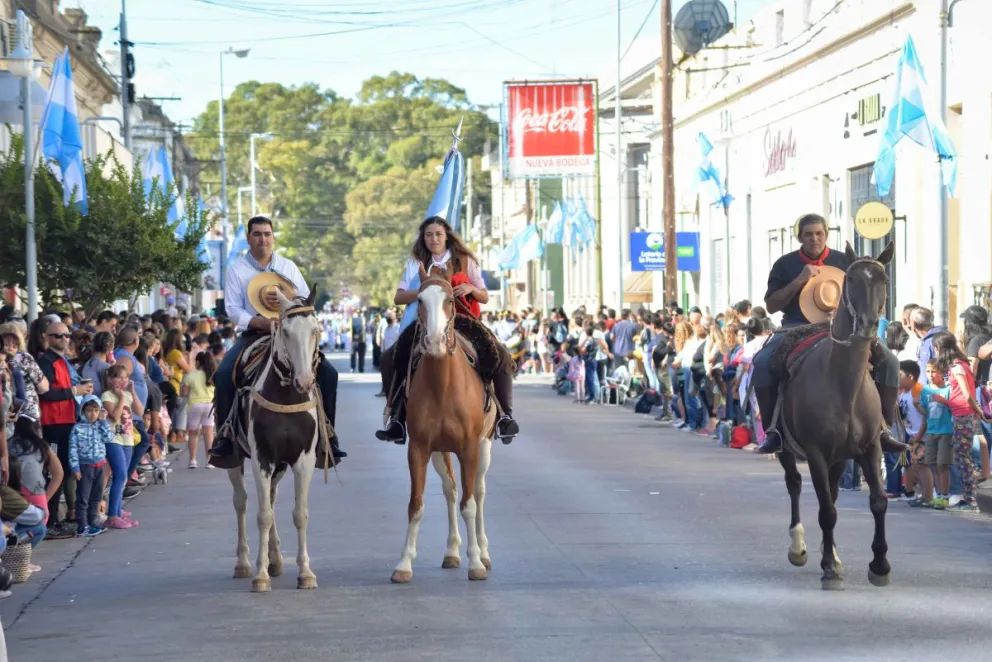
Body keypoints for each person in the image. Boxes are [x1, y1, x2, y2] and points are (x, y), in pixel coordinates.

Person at [751, 213, 902, 454]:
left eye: (819, 233)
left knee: (891, 363)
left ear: (826, 234)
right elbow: (771, 305)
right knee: (762, 362)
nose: (814, 239)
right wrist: (799, 281)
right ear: (799, 237)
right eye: (808, 234)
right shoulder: (785, 264)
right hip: (796, 327)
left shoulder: (846, 261)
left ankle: (884, 429)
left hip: (842, 329)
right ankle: (773, 431)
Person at [209, 215, 345, 463]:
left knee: (329, 374)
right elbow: (232, 309)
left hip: (290, 334)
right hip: (255, 333)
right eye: (257, 234)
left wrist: (289, 293)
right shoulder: (237, 269)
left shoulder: (287, 267)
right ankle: (225, 436)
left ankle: (328, 436)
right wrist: (261, 321)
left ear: (273, 237)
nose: (263, 238)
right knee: (223, 373)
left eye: (267, 234)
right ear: (249, 238)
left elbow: (306, 302)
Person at [375, 217, 519, 444]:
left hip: (464, 320)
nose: (433, 239)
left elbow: (484, 296)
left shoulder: (465, 260)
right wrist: (428, 291)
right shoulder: (416, 262)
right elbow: (399, 296)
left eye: (438, 234)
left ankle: (504, 416)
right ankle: (397, 418)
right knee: (390, 357)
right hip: (428, 321)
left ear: (447, 236)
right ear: (423, 238)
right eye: (429, 234)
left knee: (500, 354)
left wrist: (470, 287)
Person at [38, 322, 93, 535]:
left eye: (66, 335)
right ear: (47, 337)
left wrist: (79, 391)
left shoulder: (61, 361)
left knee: (66, 471)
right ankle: (48, 521)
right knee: (55, 473)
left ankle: (54, 519)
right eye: (58, 336)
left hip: (66, 421)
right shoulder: (46, 362)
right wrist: (74, 390)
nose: (64, 339)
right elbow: (46, 393)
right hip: (53, 423)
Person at [927, 333, 987, 513]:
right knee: (963, 458)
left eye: (936, 348)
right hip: (962, 414)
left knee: (964, 459)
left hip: (964, 415)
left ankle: (971, 500)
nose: (936, 351)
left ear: (941, 348)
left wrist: (979, 412)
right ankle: (969, 498)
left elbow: (967, 393)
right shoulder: (960, 364)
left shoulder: (956, 367)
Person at [101, 364, 142, 529]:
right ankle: (113, 515)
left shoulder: (127, 394)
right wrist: (121, 398)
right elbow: (115, 416)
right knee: (120, 475)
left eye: (125, 377)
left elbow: (139, 410)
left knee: (124, 475)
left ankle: (117, 509)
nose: (123, 380)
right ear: (111, 379)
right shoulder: (107, 396)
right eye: (119, 377)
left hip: (127, 439)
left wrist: (131, 392)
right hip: (113, 439)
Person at [68, 396, 111, 537]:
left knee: (96, 495)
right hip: (84, 466)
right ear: (82, 411)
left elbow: (109, 438)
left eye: (96, 410)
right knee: (83, 497)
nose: (93, 414)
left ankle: (93, 521)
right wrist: (75, 468)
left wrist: (104, 422)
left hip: (99, 465)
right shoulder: (77, 428)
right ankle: (82, 525)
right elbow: (72, 449)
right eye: (89, 411)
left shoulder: (100, 425)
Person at [921, 359, 953, 509]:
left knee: (942, 464)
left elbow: (957, 408)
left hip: (945, 431)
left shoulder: (948, 389)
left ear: (942, 372)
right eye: (928, 371)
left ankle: (945, 496)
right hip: (931, 431)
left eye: (934, 371)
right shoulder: (925, 390)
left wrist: (943, 401)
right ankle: (938, 494)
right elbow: (925, 412)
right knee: (932, 464)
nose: (931, 375)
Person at [182, 351, 216, 469]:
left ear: (197, 362)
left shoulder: (190, 375)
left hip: (195, 405)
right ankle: (210, 460)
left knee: (193, 433)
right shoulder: (212, 374)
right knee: (208, 433)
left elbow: (184, 393)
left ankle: (192, 460)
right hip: (210, 405)